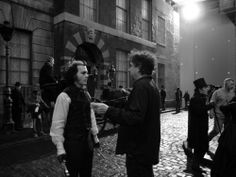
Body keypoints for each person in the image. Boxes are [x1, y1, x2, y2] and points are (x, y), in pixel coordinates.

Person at [92, 50, 161, 177]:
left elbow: (134, 117)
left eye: (131, 65)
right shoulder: (151, 84)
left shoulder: (141, 86)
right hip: (146, 147)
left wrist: (107, 110)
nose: (129, 70)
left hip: (138, 149)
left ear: (139, 67)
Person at [50, 60, 99, 177]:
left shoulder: (86, 94)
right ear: (74, 75)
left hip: (87, 144)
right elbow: (58, 124)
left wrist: (95, 137)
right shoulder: (64, 96)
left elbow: (90, 116)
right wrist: (60, 148)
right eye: (83, 73)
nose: (87, 75)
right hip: (72, 146)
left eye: (87, 72)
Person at [186, 78, 214, 172]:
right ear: (200, 89)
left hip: (201, 129)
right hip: (197, 130)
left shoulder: (200, 98)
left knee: (202, 148)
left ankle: (195, 165)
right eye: (206, 87)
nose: (208, 89)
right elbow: (199, 111)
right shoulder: (195, 99)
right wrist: (210, 105)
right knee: (200, 148)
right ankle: (195, 166)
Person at [211, 96, 236, 177]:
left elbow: (222, 108)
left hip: (232, 130)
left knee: (226, 151)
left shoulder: (233, 105)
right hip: (232, 130)